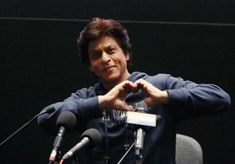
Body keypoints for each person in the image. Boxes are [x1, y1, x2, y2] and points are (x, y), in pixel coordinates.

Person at [38, 17, 231, 164]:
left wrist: (165, 97)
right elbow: (45, 118)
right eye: (96, 55)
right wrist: (102, 102)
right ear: (90, 65)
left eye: (111, 50)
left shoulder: (158, 84)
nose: (105, 58)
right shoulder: (87, 97)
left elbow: (220, 98)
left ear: (126, 54)